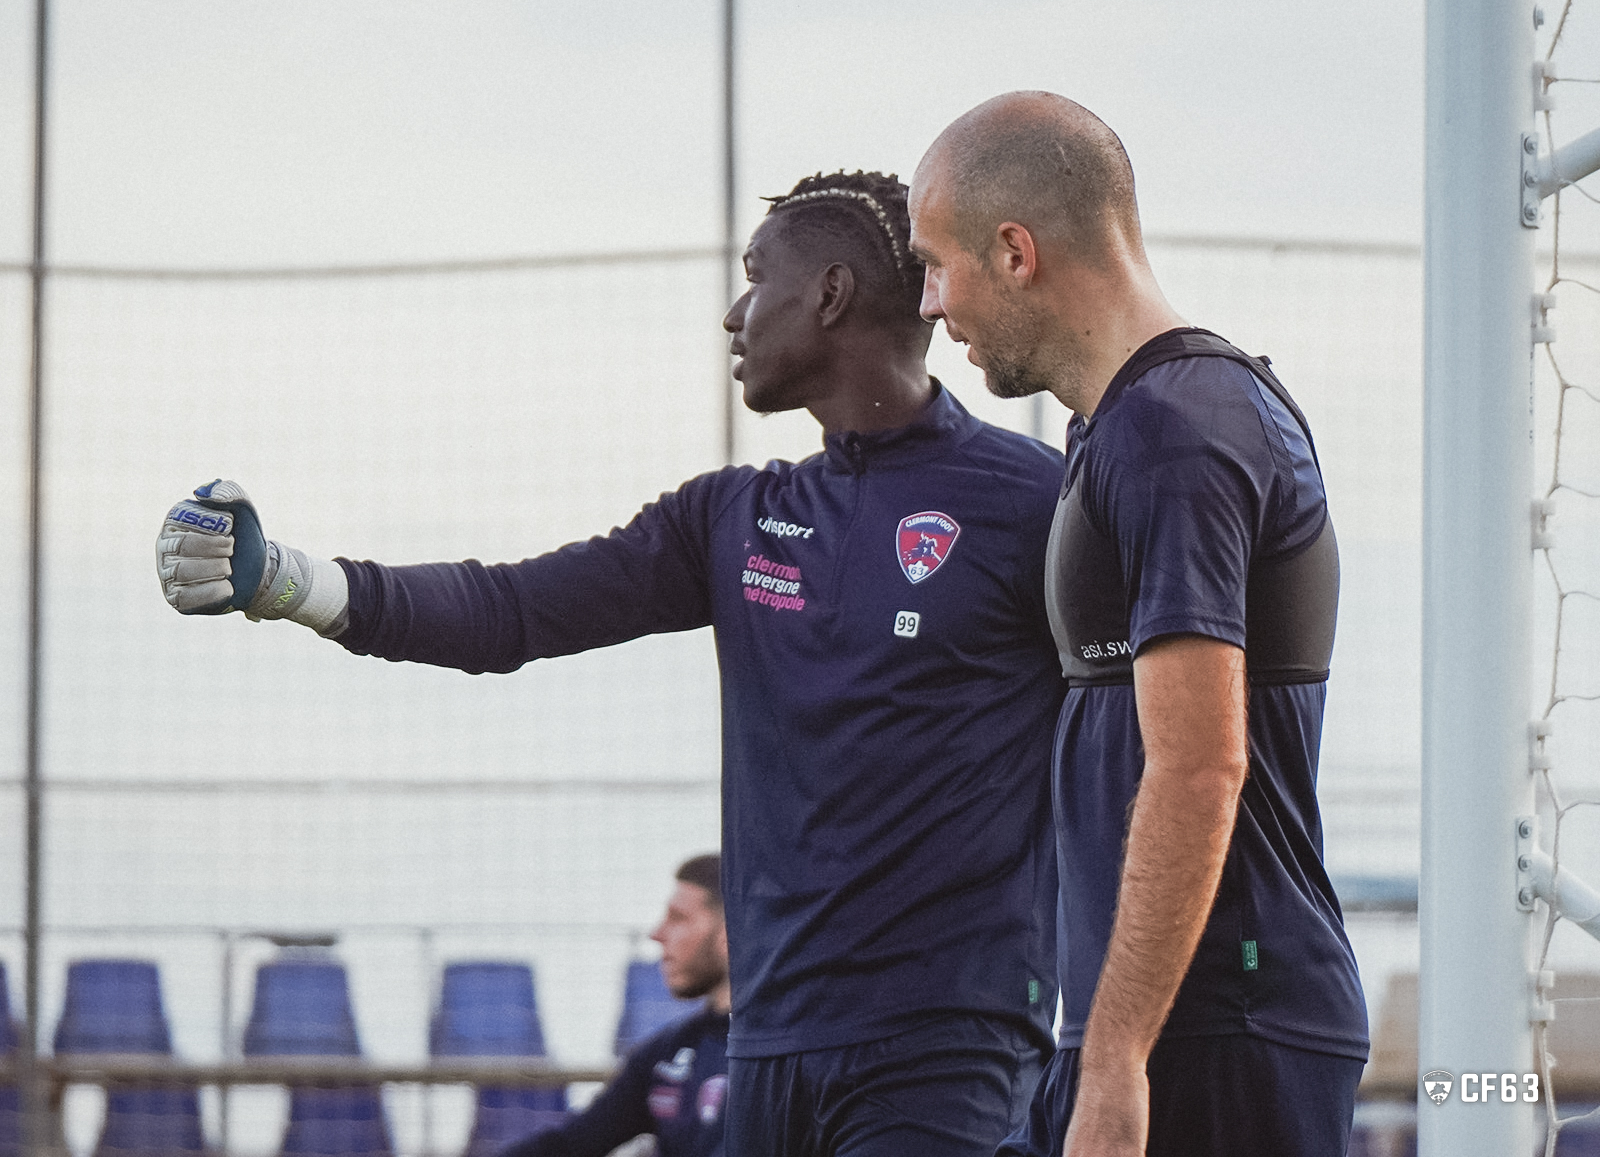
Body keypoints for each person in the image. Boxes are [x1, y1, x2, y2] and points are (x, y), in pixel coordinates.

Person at [156, 170, 1066, 1157]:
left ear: (830, 296)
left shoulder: (1034, 501)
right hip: (768, 1043)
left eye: (757, 280)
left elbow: (1148, 743)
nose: (733, 313)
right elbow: (511, 609)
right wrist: (286, 580)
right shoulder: (732, 517)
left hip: (944, 1045)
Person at [907, 94, 1368, 1157]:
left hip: (1216, 1034)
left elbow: (1199, 766)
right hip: (1155, 1028)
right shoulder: (1121, 428)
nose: (931, 303)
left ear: (1015, 251)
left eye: (938, 264)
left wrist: (1114, 1065)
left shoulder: (1176, 430)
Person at [500, 853, 729, 1157]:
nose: (657, 934)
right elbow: (572, 1143)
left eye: (679, 918)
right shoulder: (669, 1052)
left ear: (732, 931)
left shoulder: (787, 1054)